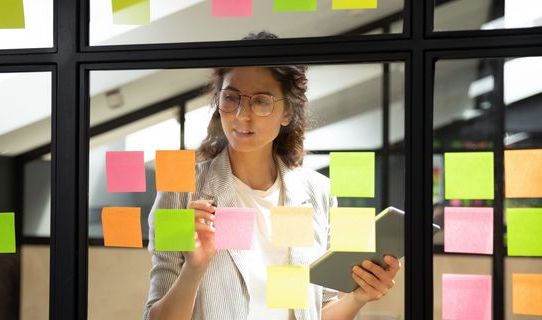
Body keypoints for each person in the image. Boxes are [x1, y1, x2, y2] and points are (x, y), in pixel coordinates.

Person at [144, 32, 401, 320]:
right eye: (231, 98)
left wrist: (358, 297)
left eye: (261, 101)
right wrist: (194, 270)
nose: (242, 115)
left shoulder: (318, 192)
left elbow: (320, 310)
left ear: (288, 113)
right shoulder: (183, 191)